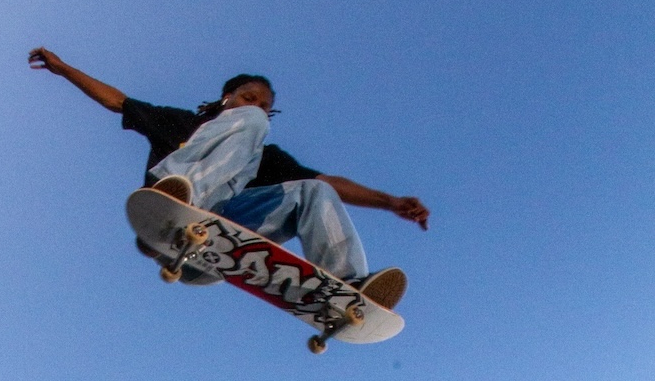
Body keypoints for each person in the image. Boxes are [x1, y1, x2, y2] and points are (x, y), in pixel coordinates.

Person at [28, 48, 429, 308]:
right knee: (251, 136)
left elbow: (331, 184)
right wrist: (64, 70)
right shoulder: (179, 122)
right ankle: (183, 196)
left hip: (210, 255)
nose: (256, 110)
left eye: (265, 107)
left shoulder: (264, 154)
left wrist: (390, 201)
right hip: (162, 224)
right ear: (227, 99)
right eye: (248, 99)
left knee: (315, 191)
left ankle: (348, 290)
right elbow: (118, 101)